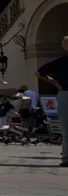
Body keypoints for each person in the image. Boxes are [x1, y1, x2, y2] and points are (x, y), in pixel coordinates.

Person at [37, 35, 68, 168]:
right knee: (66, 127)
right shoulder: (61, 61)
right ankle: (66, 158)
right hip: (65, 93)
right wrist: (54, 82)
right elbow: (39, 73)